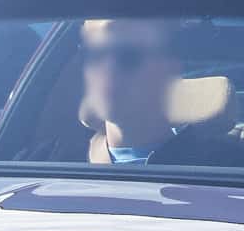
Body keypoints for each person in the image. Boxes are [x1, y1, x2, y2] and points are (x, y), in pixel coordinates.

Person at [79, 18, 184, 164]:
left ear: (170, 69)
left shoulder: (214, 164)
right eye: (95, 54)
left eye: (128, 55)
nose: (108, 68)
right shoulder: (57, 159)